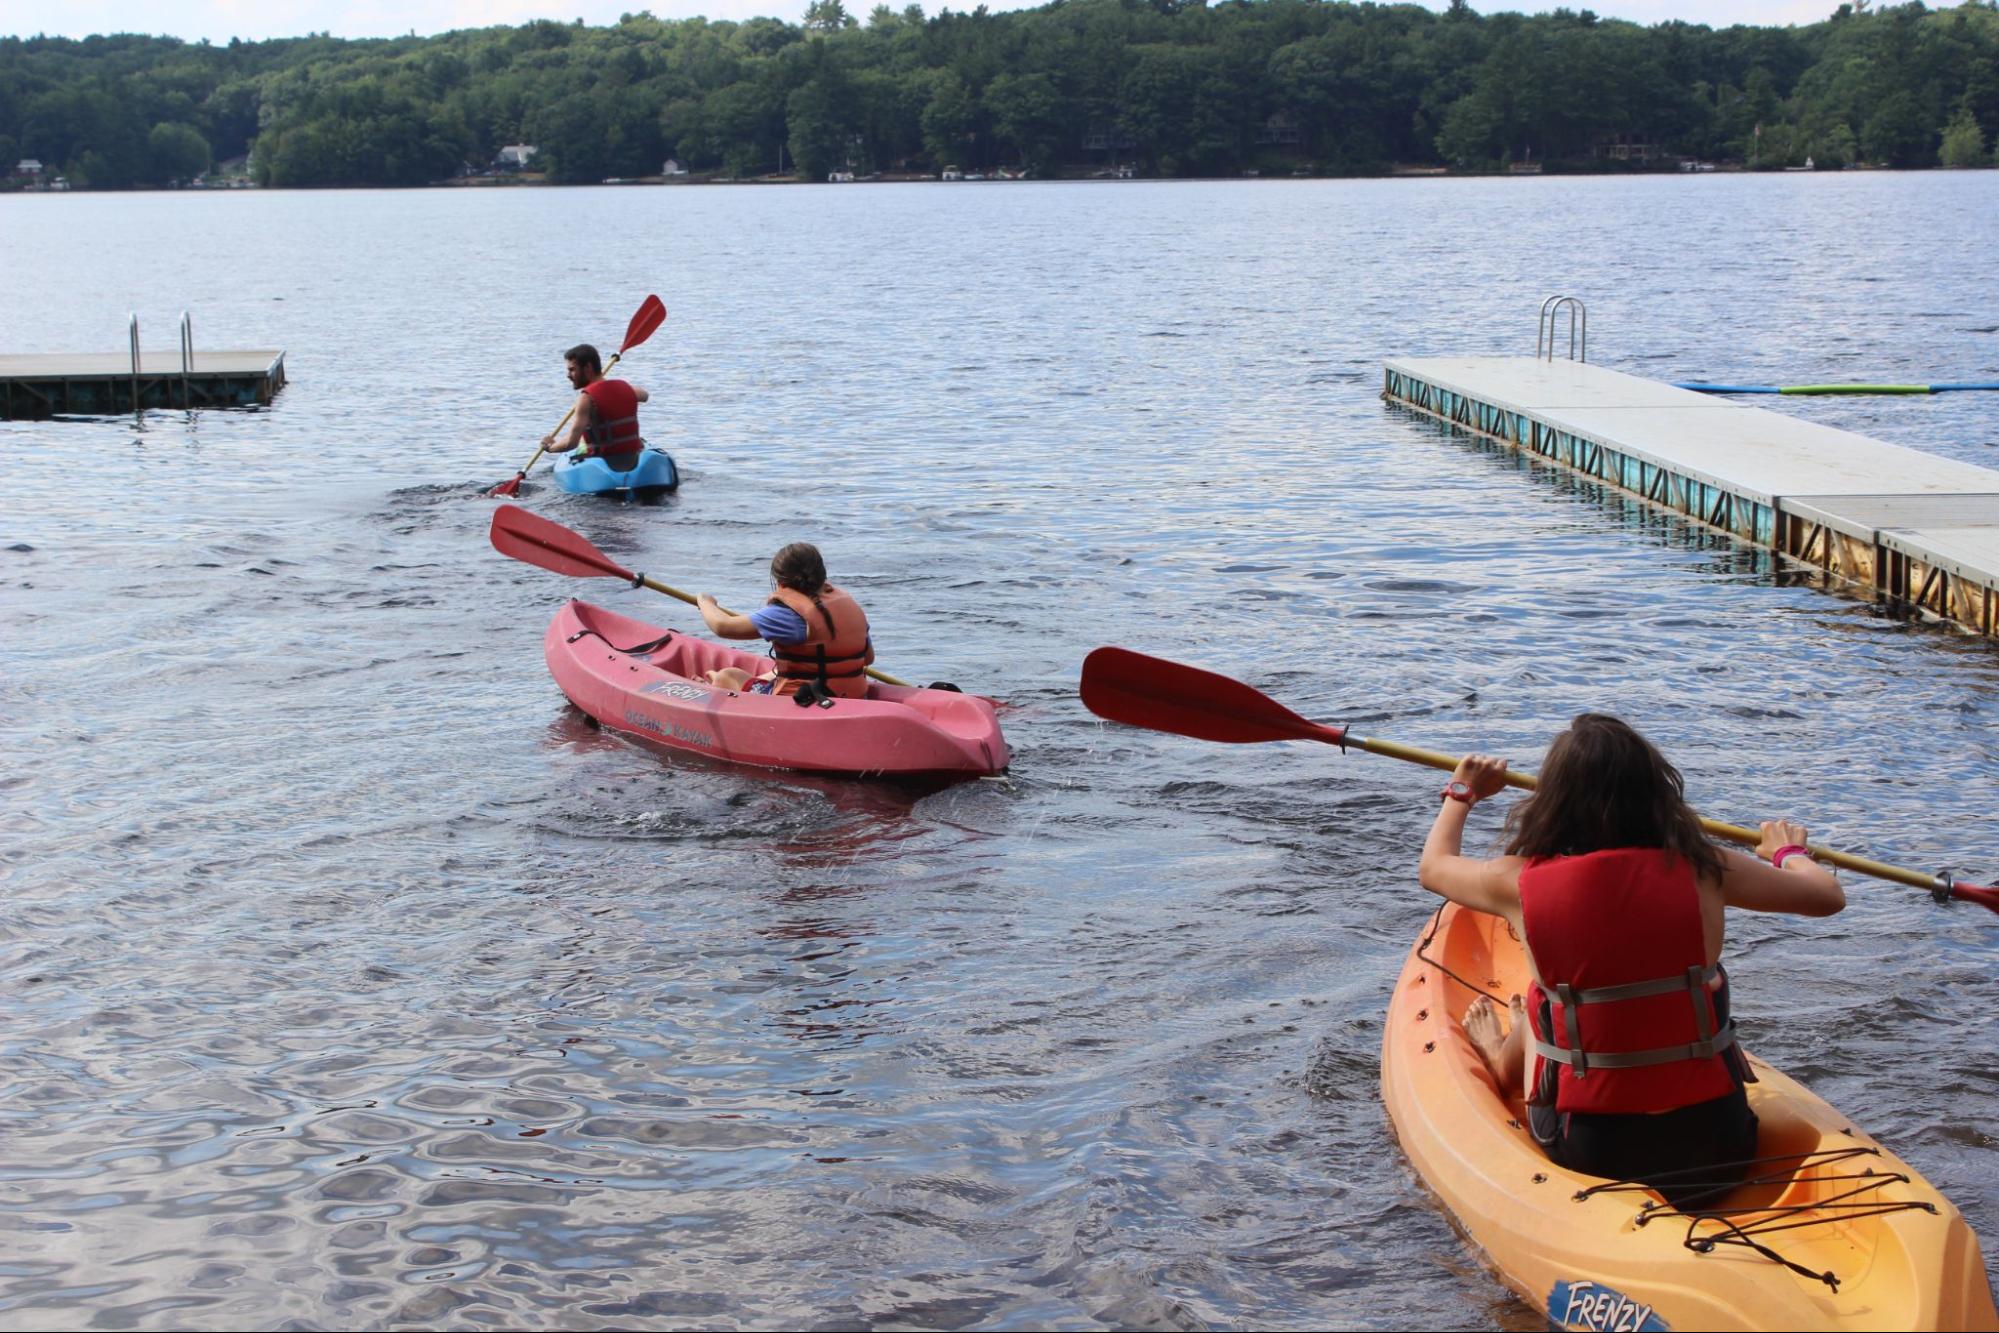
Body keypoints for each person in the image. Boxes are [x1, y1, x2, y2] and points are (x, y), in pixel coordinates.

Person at [1416, 713, 1844, 1203]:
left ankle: (1502, 1060)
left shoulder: (1516, 881)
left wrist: (1461, 793)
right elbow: (1826, 896)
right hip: (1719, 1140)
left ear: (1552, 801)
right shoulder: (1706, 867)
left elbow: (1434, 868)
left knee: (1549, 994)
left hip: (1593, 1150)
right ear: (1658, 795)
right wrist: (1787, 851)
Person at [695, 542, 875, 699]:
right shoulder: (848, 605)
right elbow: (868, 658)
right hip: (851, 696)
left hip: (805, 701)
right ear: (822, 575)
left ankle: (712, 689)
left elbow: (722, 626)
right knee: (767, 676)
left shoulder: (786, 614)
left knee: (727, 676)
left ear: (781, 582)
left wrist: (705, 602)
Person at [542, 343, 649, 467]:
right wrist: (613, 387)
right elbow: (645, 395)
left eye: (572, 369)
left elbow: (570, 443)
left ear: (588, 367)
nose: (568, 375)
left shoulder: (586, 399)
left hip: (603, 463)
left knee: (582, 444)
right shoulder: (626, 387)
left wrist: (550, 447)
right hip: (633, 457)